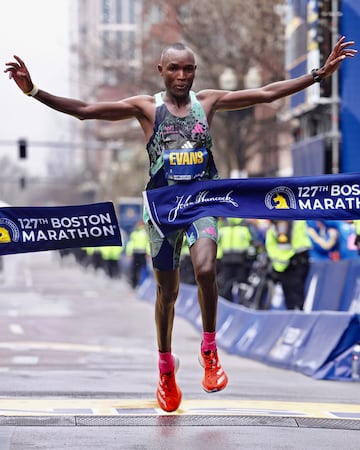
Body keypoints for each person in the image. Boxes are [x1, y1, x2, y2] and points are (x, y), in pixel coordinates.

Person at [4, 36, 356, 412]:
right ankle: (166, 367)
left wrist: (318, 75)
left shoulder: (207, 103)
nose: (182, 75)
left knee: (206, 269)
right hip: (161, 212)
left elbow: (267, 94)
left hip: (201, 204)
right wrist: (34, 91)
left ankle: (209, 348)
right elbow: (86, 110)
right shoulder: (145, 108)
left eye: (188, 69)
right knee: (167, 295)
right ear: (161, 71)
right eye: (174, 68)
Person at [265, 220, 312, 310]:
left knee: (293, 295)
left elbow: (279, 246)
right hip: (297, 259)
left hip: (291, 262)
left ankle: (296, 316)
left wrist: (280, 263)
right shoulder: (296, 218)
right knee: (296, 294)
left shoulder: (280, 221)